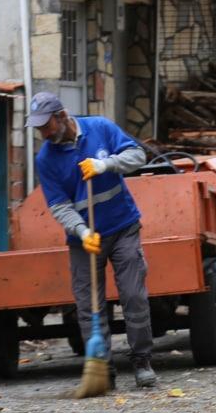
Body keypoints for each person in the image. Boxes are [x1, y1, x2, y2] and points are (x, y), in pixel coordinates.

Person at [28, 92, 157, 390]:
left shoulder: (100, 128)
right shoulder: (45, 159)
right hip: (85, 239)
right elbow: (59, 205)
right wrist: (81, 231)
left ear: (61, 116)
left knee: (133, 295)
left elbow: (138, 156)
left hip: (123, 225)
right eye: (38, 129)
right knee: (89, 306)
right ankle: (103, 368)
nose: (43, 134)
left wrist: (106, 165)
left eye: (46, 126)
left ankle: (142, 360)